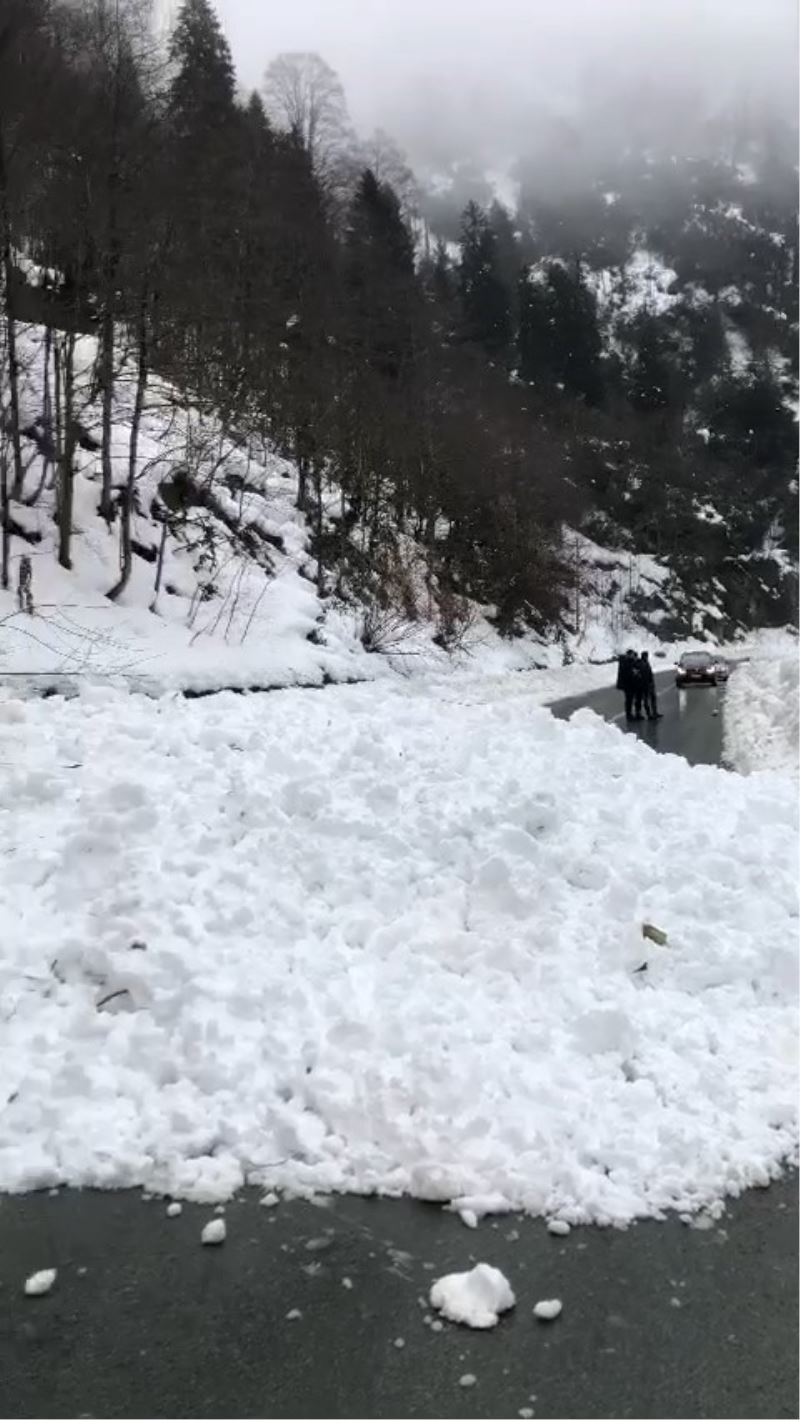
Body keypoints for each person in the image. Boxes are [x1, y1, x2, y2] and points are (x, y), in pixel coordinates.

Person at [616, 648, 641, 721]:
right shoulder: (625, 662)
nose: (633, 656)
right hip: (627, 685)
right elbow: (626, 673)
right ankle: (629, 715)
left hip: (630, 684)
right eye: (632, 655)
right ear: (629, 655)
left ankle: (630, 714)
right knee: (629, 700)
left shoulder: (628, 661)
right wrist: (633, 672)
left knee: (630, 699)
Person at [640, 650, 662, 720]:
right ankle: (649, 714)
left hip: (650, 684)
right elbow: (644, 675)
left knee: (653, 699)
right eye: (646, 656)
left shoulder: (646, 663)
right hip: (645, 685)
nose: (647, 657)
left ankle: (654, 713)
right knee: (647, 700)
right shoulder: (642, 664)